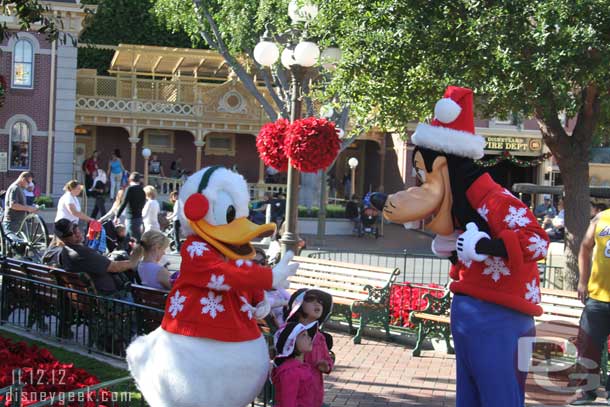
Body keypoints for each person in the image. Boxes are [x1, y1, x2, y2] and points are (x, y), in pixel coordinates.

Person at [570, 207, 610, 405]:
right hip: (597, 298)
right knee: (588, 346)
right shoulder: (601, 218)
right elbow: (585, 247)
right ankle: (586, 392)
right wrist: (583, 281)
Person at [44, 219, 138, 296]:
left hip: (81, 299)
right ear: (63, 238)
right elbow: (114, 267)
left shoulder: (58, 252)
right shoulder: (81, 253)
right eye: (71, 232)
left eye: (75, 227)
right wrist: (135, 261)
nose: (77, 232)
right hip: (107, 298)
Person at [285, 289, 334, 407]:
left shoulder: (320, 337)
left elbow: (327, 359)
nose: (317, 304)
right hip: (294, 388)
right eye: (310, 299)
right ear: (298, 305)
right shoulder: (289, 332)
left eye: (320, 301)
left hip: (314, 389)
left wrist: (326, 366)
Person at [271, 321, 318, 407]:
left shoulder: (301, 366)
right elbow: (288, 403)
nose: (309, 338)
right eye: (304, 335)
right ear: (291, 342)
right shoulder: (291, 372)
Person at [2, 172, 38, 252]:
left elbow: (21, 205)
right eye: (28, 182)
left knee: (20, 251)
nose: (28, 185)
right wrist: (28, 208)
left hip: (19, 223)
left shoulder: (19, 189)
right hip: (13, 224)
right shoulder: (15, 188)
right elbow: (13, 205)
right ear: (22, 179)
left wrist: (31, 207)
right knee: (12, 252)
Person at [116, 172, 146, 241]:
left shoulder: (129, 189)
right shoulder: (142, 190)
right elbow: (143, 203)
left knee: (134, 239)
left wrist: (117, 216)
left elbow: (124, 203)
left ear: (130, 180)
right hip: (139, 217)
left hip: (131, 217)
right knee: (131, 238)